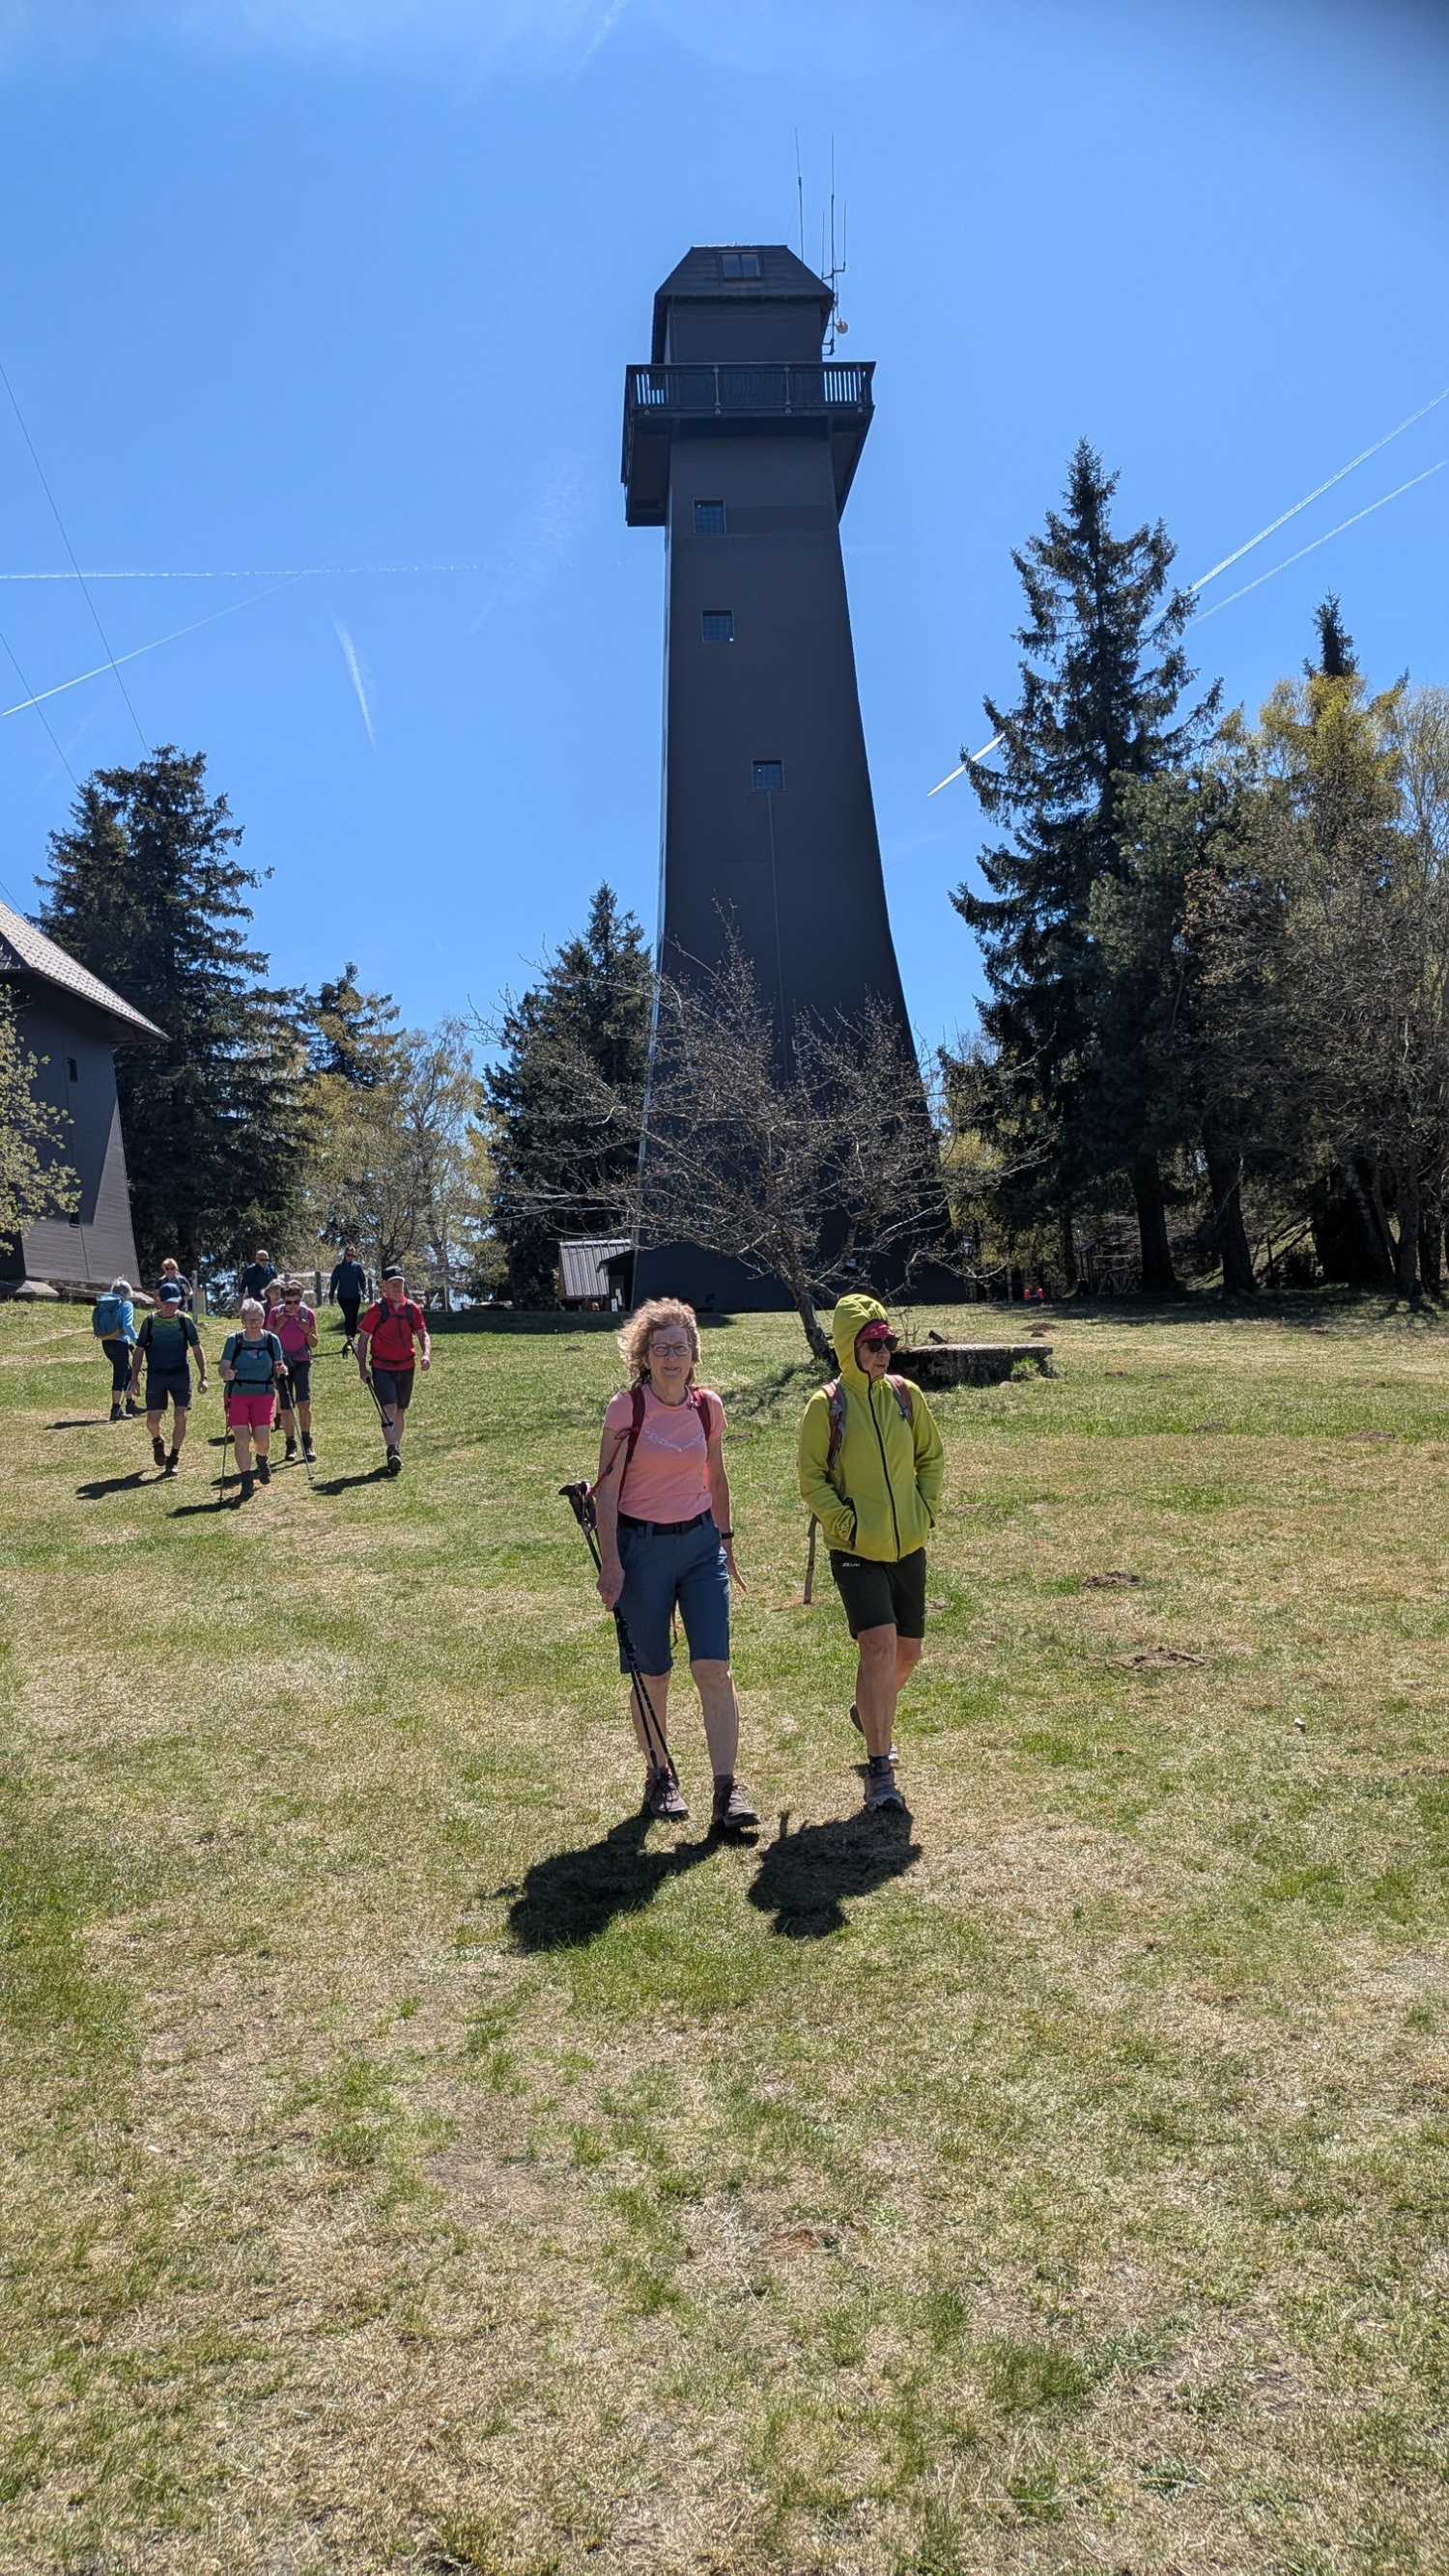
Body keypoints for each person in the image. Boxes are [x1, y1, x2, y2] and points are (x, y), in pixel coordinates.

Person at [593, 1297, 757, 1830]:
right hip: (642, 1551)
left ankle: (727, 1790)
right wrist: (612, 1564)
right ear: (643, 1356)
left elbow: (717, 1477)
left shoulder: (707, 1407)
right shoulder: (626, 1410)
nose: (671, 1358)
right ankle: (659, 1775)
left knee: (714, 1668)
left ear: (693, 1354)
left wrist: (726, 1542)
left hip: (700, 1547)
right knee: (654, 1673)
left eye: (679, 1348)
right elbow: (607, 1493)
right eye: (660, 1349)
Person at [798, 1293, 945, 1814]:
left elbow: (931, 1457)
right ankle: (880, 1771)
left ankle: (868, 1709)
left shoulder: (906, 1396)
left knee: (907, 1653)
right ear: (848, 1348)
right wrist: (848, 1525)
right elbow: (812, 1479)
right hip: (855, 1550)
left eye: (888, 1342)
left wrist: (924, 1509)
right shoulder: (826, 1405)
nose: (883, 1352)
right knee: (878, 1647)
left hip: (908, 1545)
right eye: (872, 1344)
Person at [128, 1279, 208, 1473]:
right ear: (158, 1301)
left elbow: (197, 1349)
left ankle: (173, 1457)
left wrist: (204, 1376)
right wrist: (134, 1378)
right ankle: (157, 1440)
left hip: (180, 1374)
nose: (171, 1307)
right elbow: (139, 1351)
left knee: (180, 1415)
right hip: (157, 1375)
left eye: (175, 1302)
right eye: (167, 1303)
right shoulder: (150, 1322)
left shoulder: (184, 1320)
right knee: (152, 1421)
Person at [355, 1268, 430, 1475]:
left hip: (407, 1366)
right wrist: (363, 1368)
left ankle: (396, 1447)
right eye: (392, 1283)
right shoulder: (376, 1310)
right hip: (382, 1367)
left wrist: (426, 1354)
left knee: (400, 1410)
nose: (397, 1287)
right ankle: (393, 1449)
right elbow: (363, 1339)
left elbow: (423, 1334)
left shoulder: (412, 1309)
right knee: (389, 1407)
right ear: (384, 1286)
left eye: (400, 1282)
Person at [219, 1300, 284, 1501]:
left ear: (263, 1319)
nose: (253, 1323)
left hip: (264, 1393)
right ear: (242, 1321)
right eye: (249, 1320)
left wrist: (282, 1370)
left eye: (257, 1319)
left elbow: (279, 1365)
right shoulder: (234, 1340)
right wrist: (226, 1373)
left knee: (262, 1439)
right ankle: (246, 1480)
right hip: (237, 1393)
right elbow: (222, 1367)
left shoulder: (272, 1340)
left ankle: (262, 1459)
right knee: (242, 1437)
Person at [265, 1282, 320, 1461]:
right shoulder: (276, 1313)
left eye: (296, 1301)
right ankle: (290, 1445)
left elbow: (314, 1343)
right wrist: (279, 1324)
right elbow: (267, 1339)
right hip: (282, 1363)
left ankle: (307, 1443)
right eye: (289, 1302)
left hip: (302, 1361)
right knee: (286, 1407)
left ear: (301, 1299)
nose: (293, 1306)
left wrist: (307, 1331)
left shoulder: (307, 1314)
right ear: (283, 1300)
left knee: (304, 1403)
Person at [92, 1276, 138, 1422]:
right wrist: (139, 1341)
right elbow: (127, 1326)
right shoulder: (126, 1304)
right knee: (120, 1375)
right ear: (126, 1293)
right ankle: (115, 1410)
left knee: (127, 1371)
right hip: (119, 1344)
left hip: (106, 1343)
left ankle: (130, 1404)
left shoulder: (105, 1303)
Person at [328, 1244, 368, 1354]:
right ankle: (349, 1338)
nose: (350, 1257)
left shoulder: (357, 1267)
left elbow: (362, 1281)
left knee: (354, 1318)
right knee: (348, 1316)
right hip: (343, 1296)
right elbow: (334, 1282)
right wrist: (331, 1295)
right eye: (348, 1255)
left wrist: (364, 1292)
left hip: (355, 1296)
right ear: (344, 1255)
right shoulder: (339, 1268)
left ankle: (352, 1341)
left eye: (352, 1255)